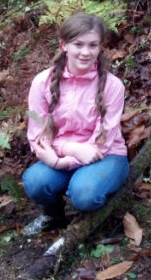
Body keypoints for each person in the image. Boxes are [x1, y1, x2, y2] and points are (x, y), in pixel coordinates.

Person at [22, 13, 129, 234]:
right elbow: (37, 135)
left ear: (100, 48)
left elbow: (102, 142)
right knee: (34, 180)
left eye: (93, 45)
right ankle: (53, 216)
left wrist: (61, 162)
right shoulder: (41, 82)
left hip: (105, 156)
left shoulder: (113, 86)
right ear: (64, 45)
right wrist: (71, 151)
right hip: (62, 156)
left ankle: (95, 219)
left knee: (85, 192)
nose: (85, 52)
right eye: (78, 44)